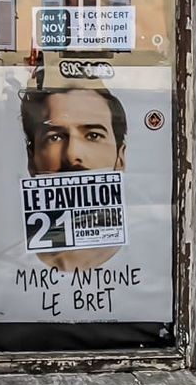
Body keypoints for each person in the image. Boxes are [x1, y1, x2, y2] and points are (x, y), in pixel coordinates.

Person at [18, 84, 127, 270]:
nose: (72, 154)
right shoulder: (10, 261)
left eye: (93, 135)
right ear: (31, 159)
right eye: (55, 137)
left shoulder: (150, 256)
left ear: (120, 158)